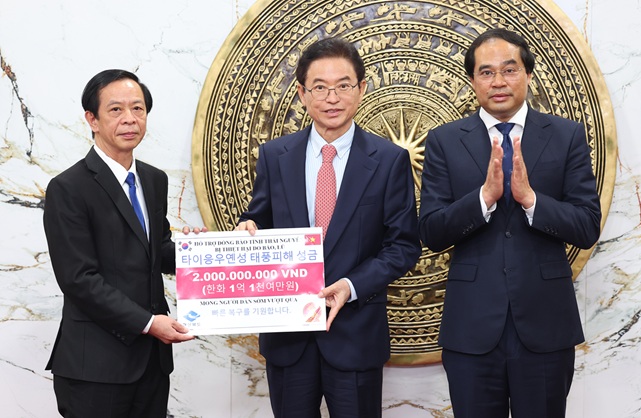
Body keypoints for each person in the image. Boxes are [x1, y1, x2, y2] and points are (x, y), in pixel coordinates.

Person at [419, 28, 602, 417]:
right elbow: (431, 230)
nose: (498, 81)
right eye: (486, 72)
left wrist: (531, 200)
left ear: (528, 75)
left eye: (509, 69)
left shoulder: (566, 135)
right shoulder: (444, 141)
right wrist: (483, 198)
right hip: (471, 328)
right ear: (472, 80)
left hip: (545, 325)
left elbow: (587, 226)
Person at [236, 37, 421, 418]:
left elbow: (403, 245)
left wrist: (351, 286)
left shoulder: (389, 160)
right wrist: (247, 228)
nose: (332, 98)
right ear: (302, 93)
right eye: (319, 87)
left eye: (343, 85)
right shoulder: (275, 156)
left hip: (355, 335)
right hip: (288, 337)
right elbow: (260, 218)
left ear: (361, 89)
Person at [43, 69, 198, 417]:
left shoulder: (154, 180)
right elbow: (78, 279)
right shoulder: (68, 188)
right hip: (95, 369)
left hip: (153, 365)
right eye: (116, 110)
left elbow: (156, 252)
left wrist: (200, 253)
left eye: (138, 109)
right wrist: (149, 323)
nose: (130, 119)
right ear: (92, 120)